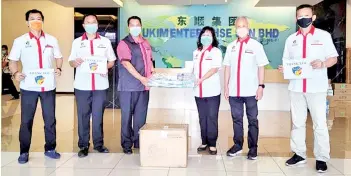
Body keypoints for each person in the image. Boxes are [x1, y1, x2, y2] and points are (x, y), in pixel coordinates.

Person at [278, 4, 338, 173]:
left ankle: (321, 158)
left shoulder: (323, 36)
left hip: (316, 88)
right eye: (299, 16)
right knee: (297, 123)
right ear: (296, 18)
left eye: (306, 15)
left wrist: (323, 64)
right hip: (296, 88)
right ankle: (299, 154)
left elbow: (333, 58)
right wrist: (285, 68)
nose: (303, 18)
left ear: (312, 17)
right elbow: (286, 61)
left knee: (320, 124)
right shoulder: (291, 40)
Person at [8, 9, 63, 164]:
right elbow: (12, 60)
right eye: (32, 19)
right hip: (29, 87)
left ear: (43, 21)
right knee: (26, 120)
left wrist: (58, 68)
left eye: (39, 18)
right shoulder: (20, 41)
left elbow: (59, 57)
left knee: (50, 119)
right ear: (27, 23)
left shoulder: (52, 40)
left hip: (48, 86)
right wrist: (15, 73)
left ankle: (50, 148)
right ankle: (24, 152)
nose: (36, 21)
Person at [68, 14, 116, 158]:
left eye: (93, 22)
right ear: (83, 25)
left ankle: (99, 144)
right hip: (82, 85)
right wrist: (74, 63)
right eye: (87, 22)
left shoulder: (105, 42)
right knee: (82, 116)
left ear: (97, 24)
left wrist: (105, 68)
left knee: (98, 116)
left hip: (100, 85)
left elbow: (112, 60)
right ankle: (83, 145)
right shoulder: (77, 42)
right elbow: (71, 61)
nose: (90, 24)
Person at [223, 16, 269, 160]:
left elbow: (261, 67)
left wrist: (261, 86)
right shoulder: (231, 46)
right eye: (238, 26)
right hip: (234, 92)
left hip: (251, 91)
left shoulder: (256, 46)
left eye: (243, 25)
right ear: (235, 28)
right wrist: (226, 86)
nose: (241, 28)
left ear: (248, 26)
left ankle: (253, 148)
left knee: (252, 120)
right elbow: (227, 68)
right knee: (236, 119)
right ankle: (237, 145)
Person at [116, 16, 154, 154]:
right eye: (132, 25)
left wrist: (151, 75)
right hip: (129, 87)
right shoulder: (124, 43)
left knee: (140, 116)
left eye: (137, 25)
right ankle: (126, 144)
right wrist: (141, 78)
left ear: (141, 26)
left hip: (144, 87)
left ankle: (138, 141)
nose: (135, 27)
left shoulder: (146, 42)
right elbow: (126, 64)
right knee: (126, 116)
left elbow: (150, 62)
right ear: (128, 27)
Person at [193, 26, 222, 155]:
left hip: (212, 91)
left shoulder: (216, 52)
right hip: (198, 92)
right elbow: (194, 70)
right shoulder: (196, 52)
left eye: (209, 35)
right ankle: (204, 141)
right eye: (204, 34)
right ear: (200, 37)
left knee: (212, 117)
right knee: (202, 117)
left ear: (213, 37)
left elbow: (214, 69)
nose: (206, 37)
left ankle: (212, 144)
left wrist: (201, 79)